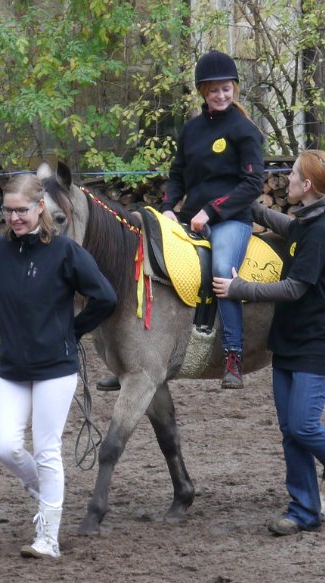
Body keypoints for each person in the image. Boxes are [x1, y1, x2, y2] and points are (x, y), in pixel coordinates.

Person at [212, 149, 325, 535]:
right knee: (291, 431)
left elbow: (294, 288)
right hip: (289, 342)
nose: (286, 179)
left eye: (292, 174)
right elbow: (286, 226)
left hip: (317, 345)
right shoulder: (308, 221)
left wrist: (239, 288)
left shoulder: (323, 232)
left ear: (307, 185)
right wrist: (246, 204)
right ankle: (304, 509)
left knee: (304, 425)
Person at [96, 49, 265, 392]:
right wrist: (169, 206)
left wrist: (212, 211)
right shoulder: (192, 129)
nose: (221, 95)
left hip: (231, 219)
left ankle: (233, 354)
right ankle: (133, 358)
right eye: (214, 90)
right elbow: (178, 174)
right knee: (144, 259)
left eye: (226, 89)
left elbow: (253, 183)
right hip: (191, 219)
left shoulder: (245, 130)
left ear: (234, 88)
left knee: (222, 272)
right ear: (203, 91)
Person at [0, 173, 116, 558]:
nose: (14, 218)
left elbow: (105, 297)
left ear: (40, 207)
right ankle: (41, 487)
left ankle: (48, 538)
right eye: (8, 211)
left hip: (55, 366)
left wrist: (72, 331)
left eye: (22, 210)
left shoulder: (65, 251)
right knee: (4, 446)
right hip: (11, 364)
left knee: (46, 449)